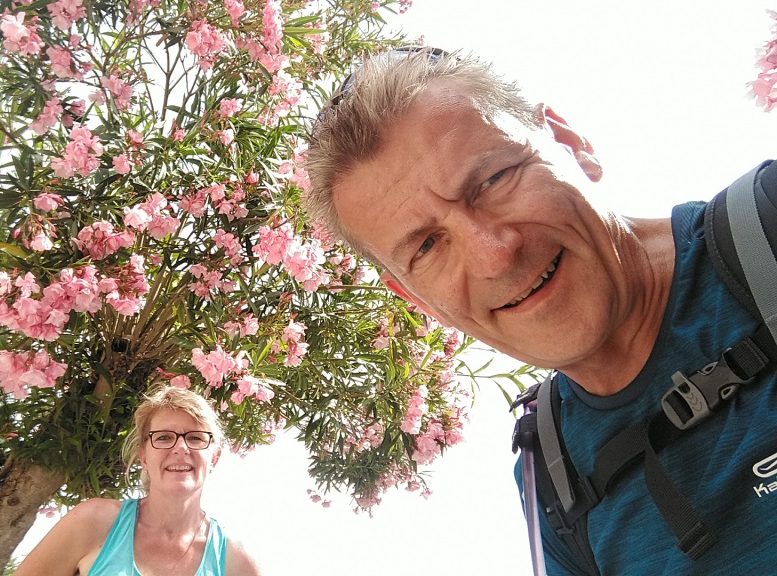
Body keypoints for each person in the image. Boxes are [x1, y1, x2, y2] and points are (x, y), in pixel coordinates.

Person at [305, 47, 777, 574]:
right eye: (427, 246)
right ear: (417, 300)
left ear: (571, 144)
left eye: (492, 180)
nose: (494, 255)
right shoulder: (556, 481)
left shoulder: (769, 229)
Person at [15, 385, 262, 576]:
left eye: (195, 438)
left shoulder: (235, 561)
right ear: (143, 456)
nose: (180, 448)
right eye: (163, 437)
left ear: (214, 457)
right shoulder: (93, 522)